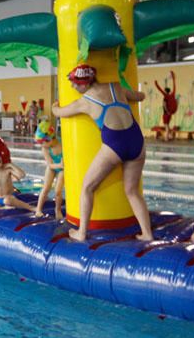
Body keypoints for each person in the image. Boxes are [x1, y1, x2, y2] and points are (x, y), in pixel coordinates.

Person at [52, 64, 153, 242]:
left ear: (85, 84)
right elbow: (141, 96)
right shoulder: (116, 86)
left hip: (115, 144)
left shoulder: (85, 100)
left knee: (87, 187)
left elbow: (60, 112)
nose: (73, 87)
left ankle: (81, 232)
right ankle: (147, 234)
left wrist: (54, 106)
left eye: (75, 84)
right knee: (132, 191)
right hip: (137, 141)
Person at [33, 120, 64, 219]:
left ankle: (57, 210)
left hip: (63, 168)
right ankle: (38, 209)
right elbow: (50, 165)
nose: (42, 145)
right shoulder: (45, 148)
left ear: (49, 139)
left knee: (58, 191)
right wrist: (59, 165)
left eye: (42, 143)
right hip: (55, 166)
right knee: (45, 188)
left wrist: (61, 166)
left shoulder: (63, 143)